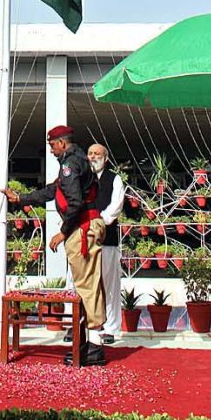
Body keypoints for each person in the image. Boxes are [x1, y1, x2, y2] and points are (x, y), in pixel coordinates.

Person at [3, 125, 106, 367]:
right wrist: (22, 198)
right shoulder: (77, 160)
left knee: (87, 286)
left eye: (52, 144)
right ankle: (89, 343)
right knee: (87, 285)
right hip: (86, 225)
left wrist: (62, 232)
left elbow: (74, 202)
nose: (50, 149)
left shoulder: (70, 164)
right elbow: (53, 190)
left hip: (82, 227)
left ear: (61, 142)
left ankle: (95, 347)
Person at [87, 143, 124, 344]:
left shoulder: (114, 178)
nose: (93, 157)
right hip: (84, 238)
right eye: (90, 153)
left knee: (109, 284)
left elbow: (116, 205)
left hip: (107, 238)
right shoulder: (82, 177)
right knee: (83, 284)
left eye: (97, 154)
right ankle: (82, 324)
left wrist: (99, 221)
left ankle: (110, 327)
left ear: (105, 158)